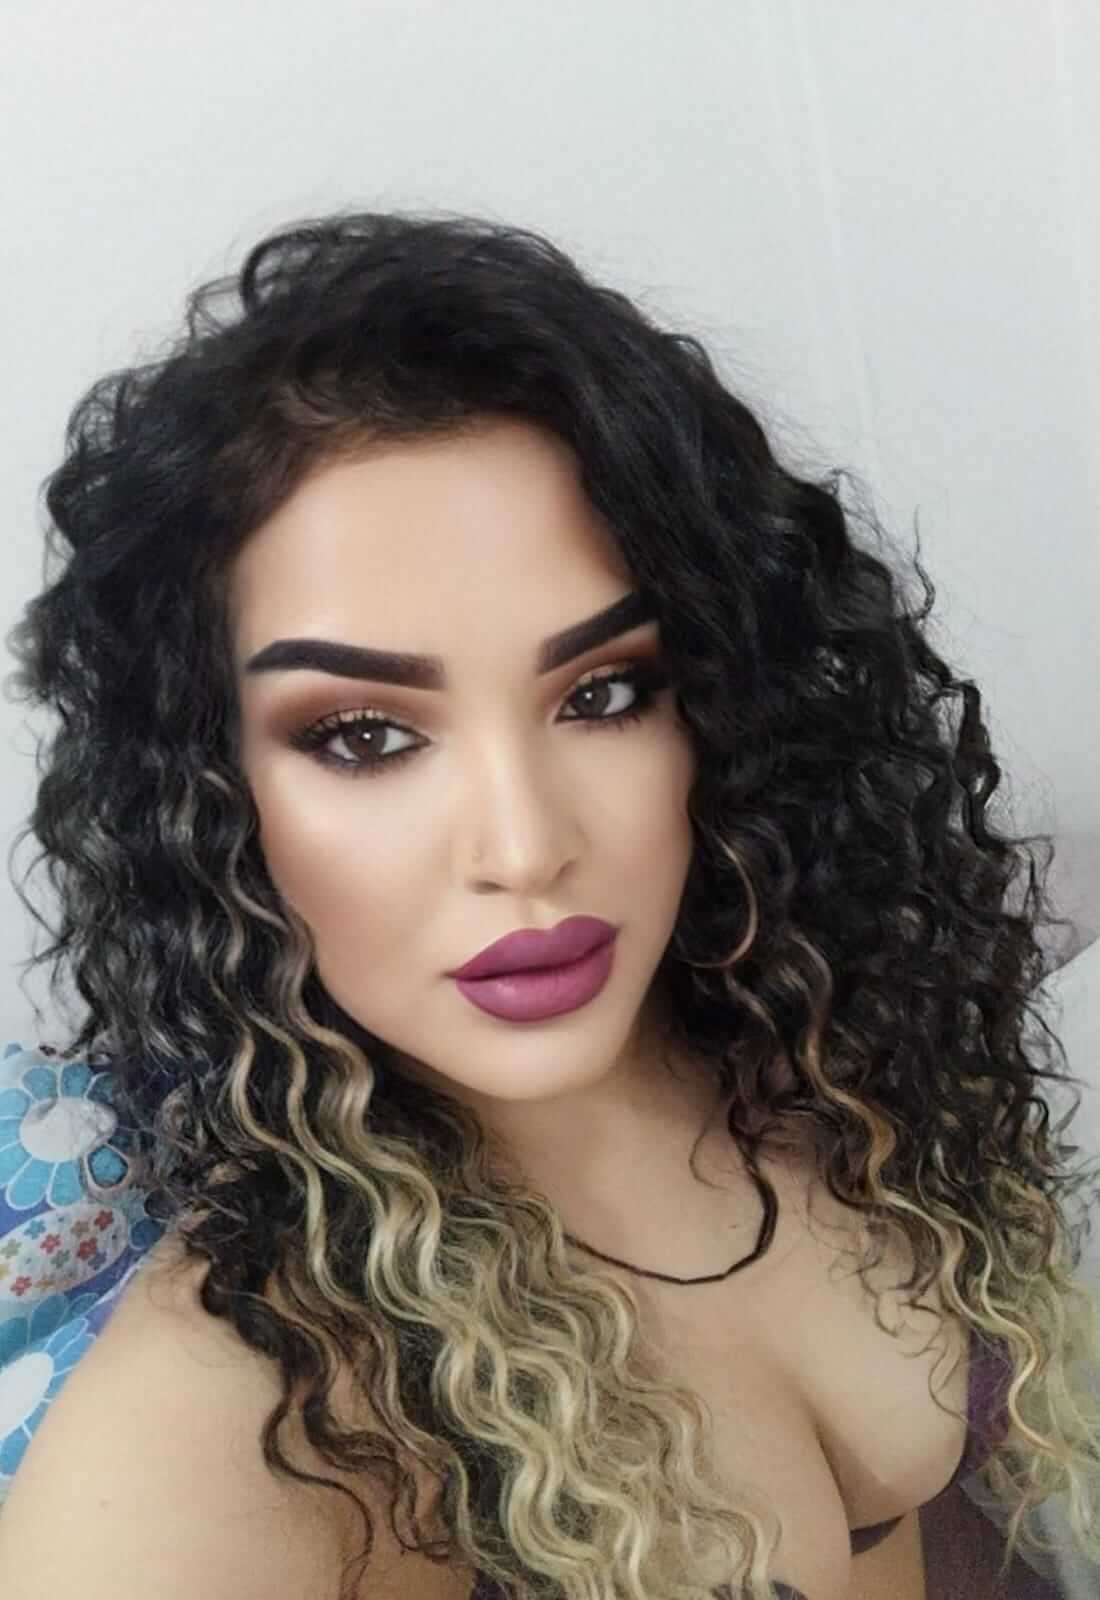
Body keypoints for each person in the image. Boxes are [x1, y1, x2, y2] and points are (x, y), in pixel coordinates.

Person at [1, 209, 1097, 1600]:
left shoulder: (833, 1059)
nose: (526, 849)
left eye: (604, 692)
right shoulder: (220, 1450)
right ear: (207, 794)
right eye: (364, 735)